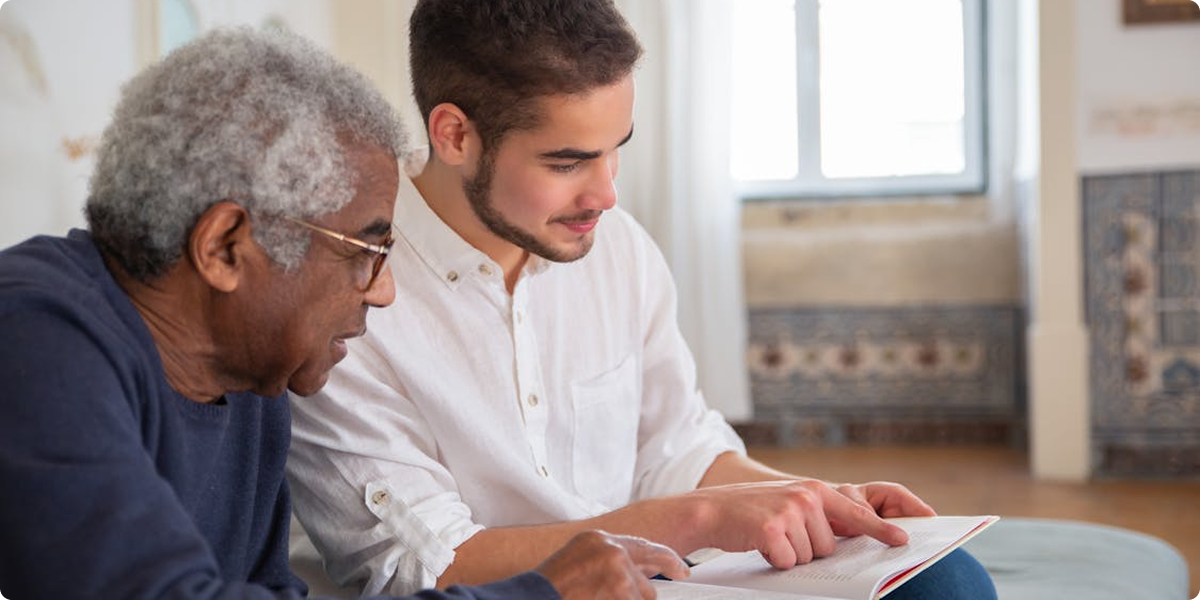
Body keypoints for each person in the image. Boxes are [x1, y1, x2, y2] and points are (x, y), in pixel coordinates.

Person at [286, 1, 998, 598]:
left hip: (662, 577)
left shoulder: (616, 248)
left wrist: (814, 500)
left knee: (946, 583)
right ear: (455, 134)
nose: (606, 195)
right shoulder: (346, 299)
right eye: (567, 162)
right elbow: (419, 566)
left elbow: (679, 446)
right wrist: (692, 521)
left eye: (614, 149)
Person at [0, 27, 688, 600]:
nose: (383, 291)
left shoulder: (253, 382)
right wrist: (541, 592)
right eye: (366, 250)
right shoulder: (35, 337)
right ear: (224, 247)